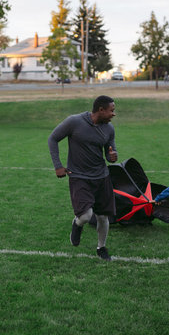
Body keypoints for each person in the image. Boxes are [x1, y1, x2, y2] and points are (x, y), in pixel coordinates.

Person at [48, 95, 118, 261]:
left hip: (102, 177)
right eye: (111, 110)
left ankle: (101, 247)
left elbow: (110, 154)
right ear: (101, 110)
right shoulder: (74, 121)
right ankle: (77, 224)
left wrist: (112, 157)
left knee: (102, 217)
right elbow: (53, 138)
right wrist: (58, 165)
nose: (113, 114)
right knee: (86, 216)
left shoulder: (109, 128)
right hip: (79, 176)